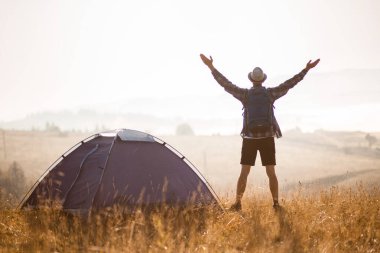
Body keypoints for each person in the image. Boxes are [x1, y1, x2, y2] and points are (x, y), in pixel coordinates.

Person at [200, 54, 320, 210]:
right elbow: (290, 83)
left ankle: (237, 203)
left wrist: (210, 66)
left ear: (251, 80)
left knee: (244, 173)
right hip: (267, 138)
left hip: (250, 138)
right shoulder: (270, 94)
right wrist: (306, 69)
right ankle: (276, 204)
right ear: (263, 80)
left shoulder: (244, 95)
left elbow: (225, 84)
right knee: (271, 172)